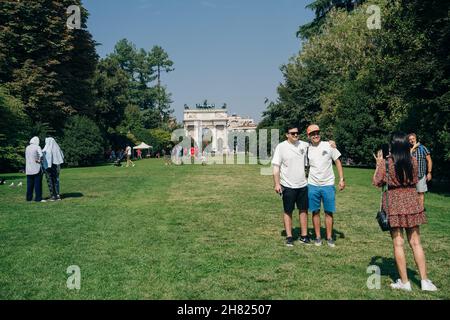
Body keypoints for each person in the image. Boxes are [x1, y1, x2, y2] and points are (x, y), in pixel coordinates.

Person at [373, 132, 437, 291]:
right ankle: (424, 281)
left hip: (394, 202)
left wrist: (379, 164)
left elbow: (376, 182)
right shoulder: (414, 161)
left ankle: (405, 282)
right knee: (416, 242)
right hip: (411, 200)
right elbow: (416, 179)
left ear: (392, 146)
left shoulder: (386, 163)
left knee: (398, 243)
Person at [306, 124, 345, 248]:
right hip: (312, 185)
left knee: (329, 212)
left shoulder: (329, 145)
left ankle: (329, 237)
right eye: (312, 134)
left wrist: (341, 179)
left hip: (328, 184)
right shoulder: (307, 149)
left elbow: (337, 161)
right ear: (309, 136)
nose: (315, 135)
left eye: (317, 133)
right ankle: (317, 237)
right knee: (315, 212)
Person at [272, 125, 310, 247]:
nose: (295, 135)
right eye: (292, 133)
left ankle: (304, 236)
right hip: (287, 185)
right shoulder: (281, 147)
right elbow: (276, 167)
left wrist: (330, 143)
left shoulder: (304, 145)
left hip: (302, 184)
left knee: (303, 210)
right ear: (287, 135)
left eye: (297, 133)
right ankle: (289, 237)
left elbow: (317, 145)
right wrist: (277, 183)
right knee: (288, 211)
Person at [408, 133, 432, 208]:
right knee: (411, 193)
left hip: (421, 175)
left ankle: (420, 210)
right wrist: (414, 147)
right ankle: (413, 209)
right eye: (410, 139)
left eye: (413, 139)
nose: (412, 140)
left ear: (416, 139)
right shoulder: (408, 149)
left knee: (421, 193)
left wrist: (429, 172)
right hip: (410, 176)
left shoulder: (423, 148)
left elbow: (429, 161)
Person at [25, 136, 45, 203]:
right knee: (38, 184)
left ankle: (29, 198)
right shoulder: (37, 147)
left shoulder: (27, 147)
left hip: (28, 169)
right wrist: (39, 160)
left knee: (29, 184)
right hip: (36, 168)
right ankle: (38, 198)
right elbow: (41, 155)